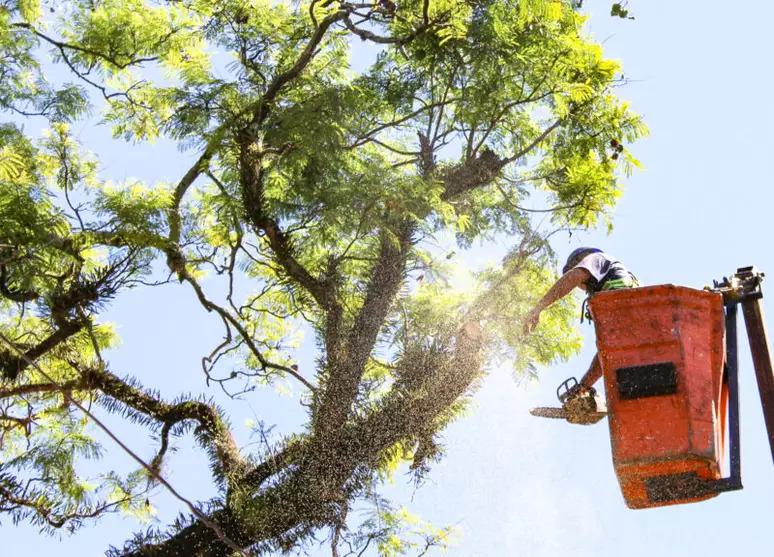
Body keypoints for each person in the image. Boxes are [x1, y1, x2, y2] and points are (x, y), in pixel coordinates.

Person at [523, 247, 639, 410]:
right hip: (637, 336)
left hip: (623, 308)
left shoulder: (596, 258)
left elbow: (573, 277)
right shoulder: (620, 310)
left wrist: (538, 308)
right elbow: (606, 354)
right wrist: (583, 386)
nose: (580, 286)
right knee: (619, 367)